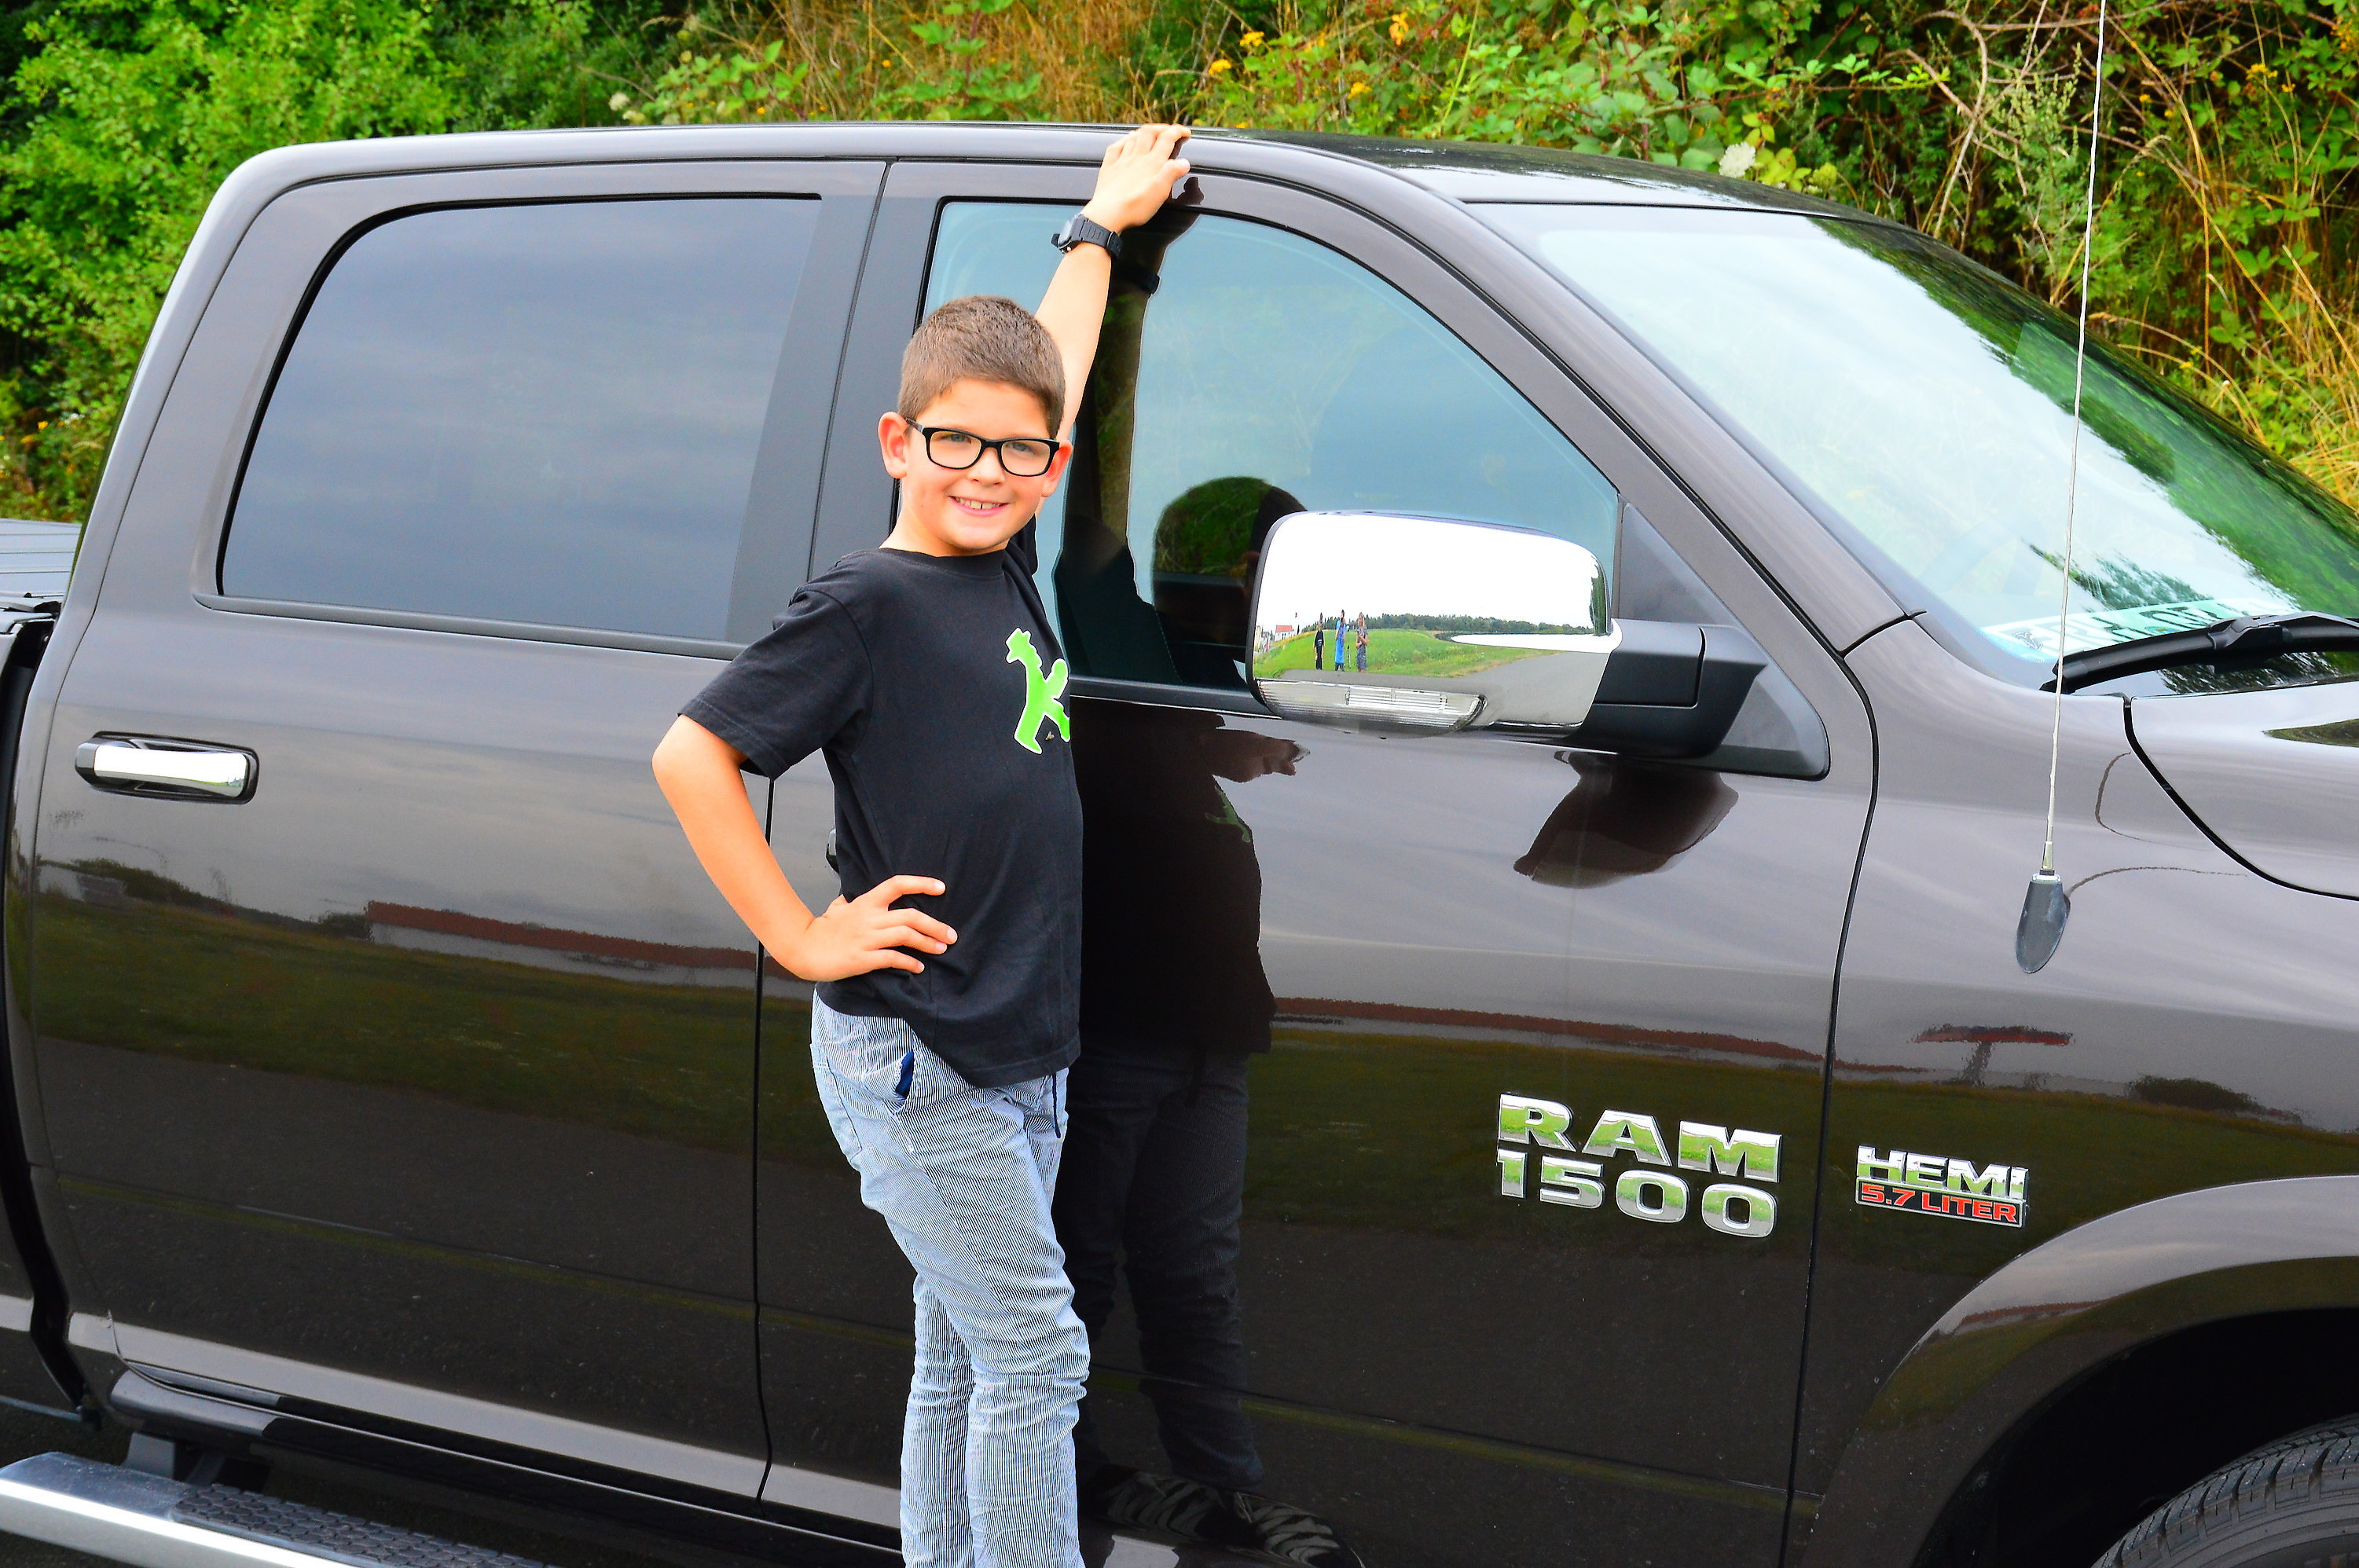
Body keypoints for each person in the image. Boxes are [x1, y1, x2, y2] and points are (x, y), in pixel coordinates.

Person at [651, 124, 1194, 1568]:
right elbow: (691, 754)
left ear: (1049, 462)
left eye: (1020, 452)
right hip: (920, 1050)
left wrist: (1101, 227)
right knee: (1037, 1357)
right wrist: (799, 934)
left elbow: (1046, 362)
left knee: (962, 1352)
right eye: (955, 443)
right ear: (900, 444)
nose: (988, 471)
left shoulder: (1000, 554)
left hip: (1018, 1047)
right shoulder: (867, 605)